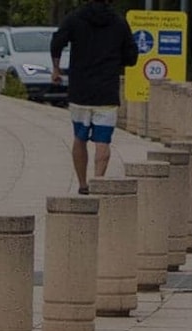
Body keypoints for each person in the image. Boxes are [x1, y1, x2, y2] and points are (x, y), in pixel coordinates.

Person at [50, 0, 132, 190]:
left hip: (80, 90)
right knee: (103, 141)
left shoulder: (75, 19)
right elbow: (131, 56)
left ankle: (82, 184)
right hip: (107, 92)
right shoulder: (119, 23)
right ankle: (98, 182)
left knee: (80, 138)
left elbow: (57, 42)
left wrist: (56, 68)